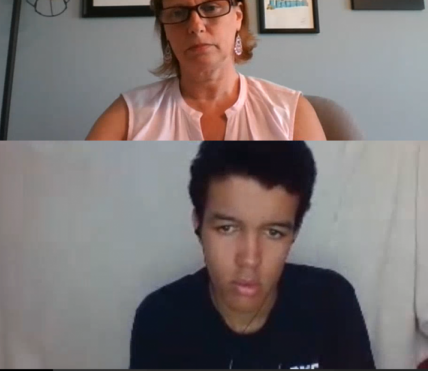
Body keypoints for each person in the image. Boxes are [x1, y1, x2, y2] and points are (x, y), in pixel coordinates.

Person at [129, 142, 374, 369]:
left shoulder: (331, 303)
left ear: (294, 234)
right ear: (198, 224)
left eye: (274, 232)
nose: (249, 259)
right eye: (227, 228)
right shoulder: (161, 320)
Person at [87, 0, 326, 141]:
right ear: (165, 31)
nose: (196, 25)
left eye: (211, 8)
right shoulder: (128, 115)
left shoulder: (291, 112)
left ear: (237, 17)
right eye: (178, 13)